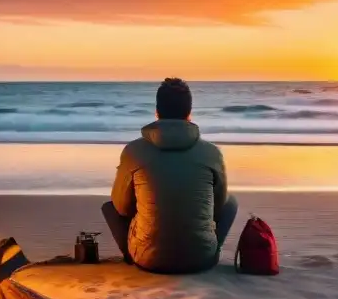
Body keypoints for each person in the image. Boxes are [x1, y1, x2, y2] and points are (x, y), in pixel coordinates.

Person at [102, 78, 238, 273]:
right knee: (231, 203)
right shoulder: (212, 153)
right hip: (202, 260)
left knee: (110, 207)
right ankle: (210, 248)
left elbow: (121, 209)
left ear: (157, 113)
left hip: (149, 260)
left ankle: (131, 256)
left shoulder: (133, 151)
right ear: (189, 114)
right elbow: (218, 207)